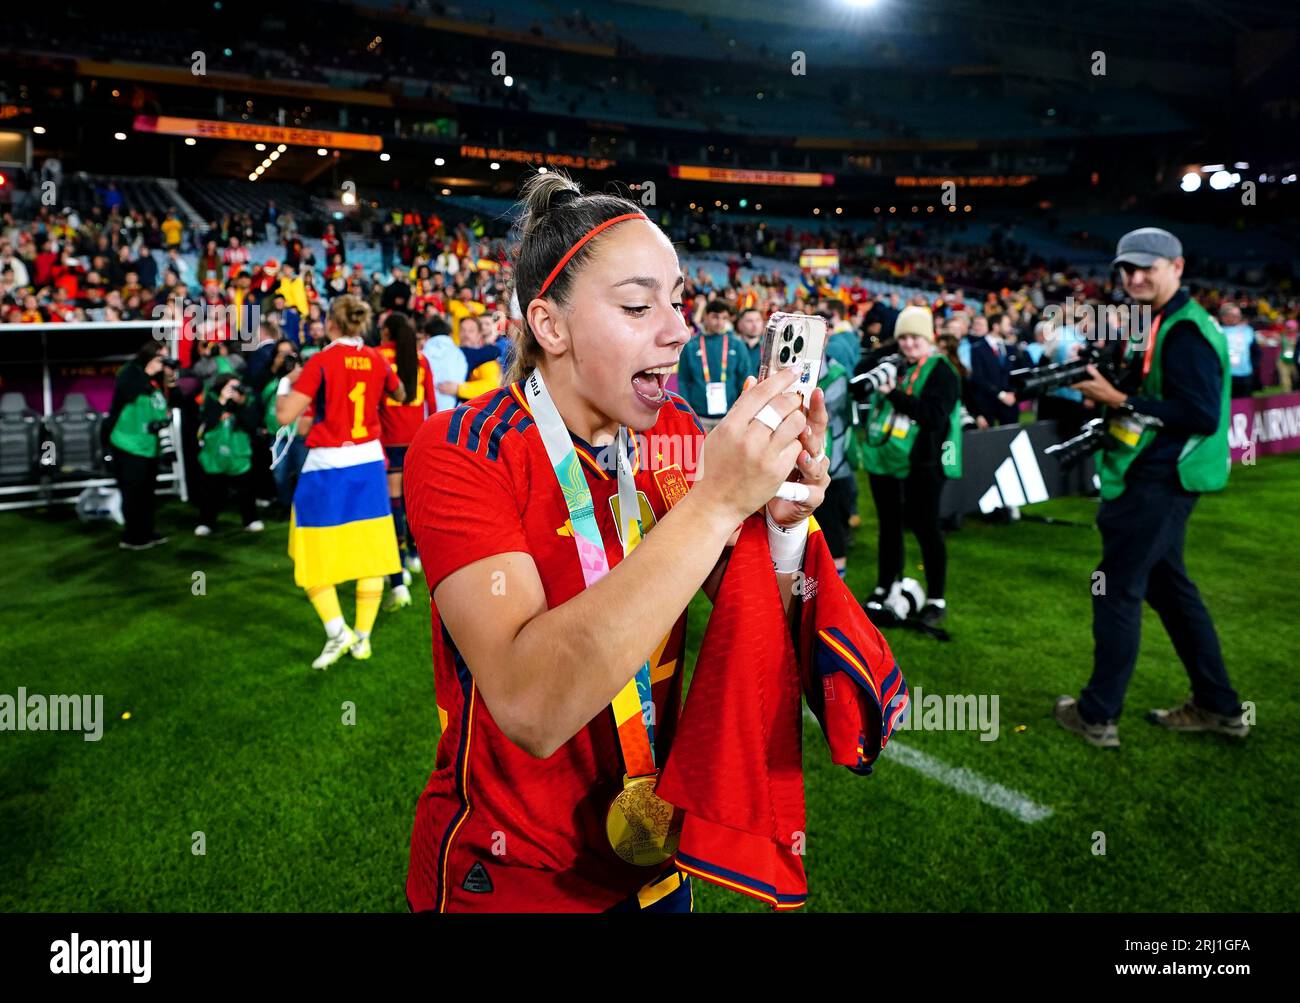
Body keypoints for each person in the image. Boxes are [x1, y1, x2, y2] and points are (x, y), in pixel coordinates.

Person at [402, 170, 832, 913]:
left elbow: (762, 618)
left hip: (660, 865)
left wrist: (782, 524)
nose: (677, 329)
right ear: (551, 327)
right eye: (638, 304)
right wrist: (717, 503)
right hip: (510, 878)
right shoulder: (463, 449)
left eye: (676, 301)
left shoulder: (670, 435)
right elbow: (532, 706)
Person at [1056, 227, 1249, 748]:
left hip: (1162, 479)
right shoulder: (1168, 321)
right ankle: (1219, 705)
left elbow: (1201, 414)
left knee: (1116, 587)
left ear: (1177, 267)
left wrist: (1119, 398)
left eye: (1146, 267)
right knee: (1169, 589)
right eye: (1127, 268)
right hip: (1164, 477)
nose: (1134, 277)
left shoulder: (1183, 329)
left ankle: (1097, 715)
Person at [276, 295, 407, 670]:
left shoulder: (321, 360)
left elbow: (285, 415)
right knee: (372, 553)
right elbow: (400, 393)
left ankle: (338, 631)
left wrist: (286, 382)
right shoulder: (376, 359)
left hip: (327, 467)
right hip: (368, 465)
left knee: (311, 553)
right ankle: (363, 638)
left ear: (331, 323)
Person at [859, 305, 961, 626]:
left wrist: (894, 395)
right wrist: (889, 353)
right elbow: (860, 371)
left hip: (924, 463)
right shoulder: (897, 362)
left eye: (915, 337)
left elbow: (932, 416)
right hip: (887, 457)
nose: (909, 345)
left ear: (929, 337)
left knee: (926, 527)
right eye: (903, 338)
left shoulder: (943, 371)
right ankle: (885, 584)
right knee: (889, 526)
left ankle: (936, 597)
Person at [377, 312, 433, 610]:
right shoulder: (421, 358)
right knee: (414, 501)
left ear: (387, 332)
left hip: (389, 440)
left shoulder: (377, 356)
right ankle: (415, 555)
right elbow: (432, 403)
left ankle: (398, 565)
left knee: (394, 504)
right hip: (417, 436)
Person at [104, 342, 177, 550]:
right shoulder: (130, 372)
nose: (162, 362)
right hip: (127, 442)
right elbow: (127, 392)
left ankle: (146, 531)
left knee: (147, 492)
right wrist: (149, 371)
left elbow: (174, 400)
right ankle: (132, 537)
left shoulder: (156, 381)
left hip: (148, 444)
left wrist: (170, 380)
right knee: (133, 492)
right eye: (159, 357)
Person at [194, 373, 263, 536]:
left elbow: (251, 424)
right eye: (229, 387)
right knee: (211, 491)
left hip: (239, 454)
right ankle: (206, 522)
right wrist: (222, 401)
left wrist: (241, 403)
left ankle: (250, 519)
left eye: (236, 387)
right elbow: (208, 422)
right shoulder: (211, 400)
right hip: (214, 455)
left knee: (246, 490)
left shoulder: (245, 402)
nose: (233, 391)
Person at [676, 300, 752, 431]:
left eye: (724, 318)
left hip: (729, 416)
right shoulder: (691, 346)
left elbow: (745, 380)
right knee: (701, 452)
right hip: (699, 416)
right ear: (706, 316)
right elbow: (683, 380)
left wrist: (740, 412)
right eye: (715, 317)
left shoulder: (737, 345)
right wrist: (689, 412)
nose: (720, 322)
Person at [1219, 303, 1256, 398]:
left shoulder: (1247, 330)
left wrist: (1253, 367)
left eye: (1238, 315)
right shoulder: (1217, 331)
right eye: (1233, 315)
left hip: (1245, 375)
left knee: (1245, 404)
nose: (1237, 318)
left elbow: (1255, 351)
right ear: (1224, 317)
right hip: (1225, 376)